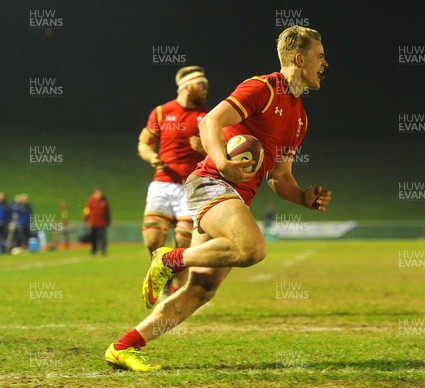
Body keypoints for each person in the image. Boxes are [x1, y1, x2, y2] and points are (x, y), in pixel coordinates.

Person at [105, 25, 331, 371]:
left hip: (234, 197)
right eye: (319, 56)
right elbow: (210, 122)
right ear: (299, 59)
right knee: (253, 248)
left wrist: (302, 197)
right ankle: (170, 259)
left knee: (203, 288)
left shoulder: (299, 118)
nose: (324, 63)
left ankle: (123, 346)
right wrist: (223, 162)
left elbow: (280, 176)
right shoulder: (263, 88)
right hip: (210, 183)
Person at [137, 66, 210, 295]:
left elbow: (222, 151)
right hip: (162, 183)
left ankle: (175, 293)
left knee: (184, 242)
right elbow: (144, 143)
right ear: (187, 85)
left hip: (192, 186)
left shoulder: (207, 117)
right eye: (202, 85)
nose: (206, 90)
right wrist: (152, 157)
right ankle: (165, 274)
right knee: (152, 239)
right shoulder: (161, 112)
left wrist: (205, 148)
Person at [83, 187, 111, 256]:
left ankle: (103, 251)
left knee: (102, 237)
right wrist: (86, 220)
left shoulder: (104, 201)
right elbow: (86, 211)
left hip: (102, 223)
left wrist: (108, 220)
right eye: (98, 193)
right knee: (93, 237)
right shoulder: (91, 201)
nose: (99, 195)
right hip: (93, 223)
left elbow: (108, 212)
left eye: (100, 193)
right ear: (95, 193)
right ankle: (93, 251)